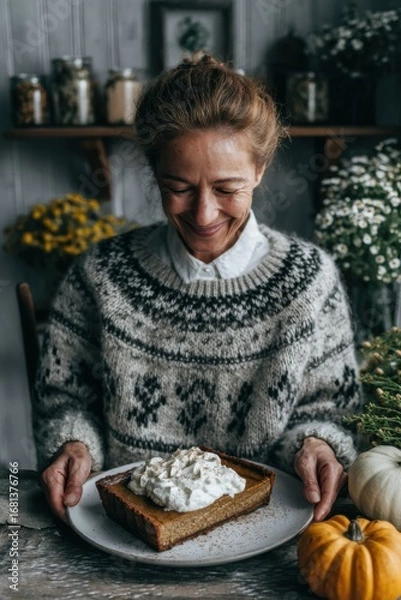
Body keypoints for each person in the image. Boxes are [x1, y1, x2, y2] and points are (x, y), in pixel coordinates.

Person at [34, 53, 361, 525]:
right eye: (179, 187)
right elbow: (64, 399)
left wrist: (317, 444)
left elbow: (331, 409)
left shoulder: (312, 280)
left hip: (269, 537)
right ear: (154, 172)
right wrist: (73, 443)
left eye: (227, 188)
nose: (204, 215)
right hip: (127, 535)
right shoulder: (99, 275)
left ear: (261, 169)